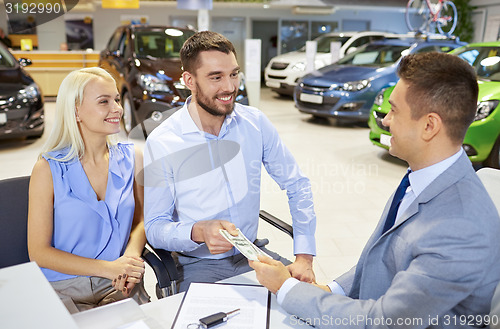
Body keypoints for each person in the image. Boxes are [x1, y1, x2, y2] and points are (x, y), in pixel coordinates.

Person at [251, 52, 500, 328]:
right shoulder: (424, 174)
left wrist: (287, 288)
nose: (385, 120)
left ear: (429, 126)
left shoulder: (459, 228)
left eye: (394, 110)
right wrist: (331, 290)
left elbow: (382, 322)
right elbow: (382, 257)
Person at [144, 31, 316, 292]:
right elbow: (155, 227)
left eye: (234, 74)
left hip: (254, 256)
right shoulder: (163, 142)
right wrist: (198, 231)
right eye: (216, 77)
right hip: (198, 265)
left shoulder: (254, 123)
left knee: (309, 307)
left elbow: (297, 184)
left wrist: (304, 256)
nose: (229, 87)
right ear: (189, 80)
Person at [28, 67, 150, 312]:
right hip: (64, 287)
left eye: (116, 99)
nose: (117, 108)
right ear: (76, 111)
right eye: (104, 101)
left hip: (119, 282)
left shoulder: (134, 158)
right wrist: (108, 268)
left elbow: (142, 220)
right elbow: (39, 252)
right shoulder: (47, 169)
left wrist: (130, 259)